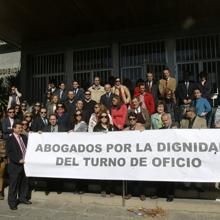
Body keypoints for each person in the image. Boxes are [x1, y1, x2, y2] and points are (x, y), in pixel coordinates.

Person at [6, 122, 31, 210]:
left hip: (25, 165)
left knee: (24, 183)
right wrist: (18, 160)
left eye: (21, 128)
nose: (20, 129)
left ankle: (22, 198)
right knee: (14, 185)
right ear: (14, 128)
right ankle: (12, 202)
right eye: (19, 128)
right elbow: (10, 152)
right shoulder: (10, 139)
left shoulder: (24, 137)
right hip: (15, 166)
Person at [123, 112, 145, 200]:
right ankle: (129, 193)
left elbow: (144, 134)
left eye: (133, 119)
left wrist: (141, 129)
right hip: (129, 156)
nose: (132, 120)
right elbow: (119, 135)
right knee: (129, 175)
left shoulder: (140, 127)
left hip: (139, 156)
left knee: (140, 175)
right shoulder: (127, 129)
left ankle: (142, 193)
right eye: (130, 119)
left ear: (136, 120)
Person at [42, 114, 66, 195]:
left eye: (54, 119)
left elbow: (66, 138)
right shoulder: (45, 129)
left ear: (57, 120)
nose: (53, 120)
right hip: (49, 154)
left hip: (59, 153)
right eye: (51, 119)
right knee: (48, 171)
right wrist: (39, 134)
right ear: (49, 120)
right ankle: (48, 188)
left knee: (58, 171)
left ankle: (58, 188)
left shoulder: (62, 128)